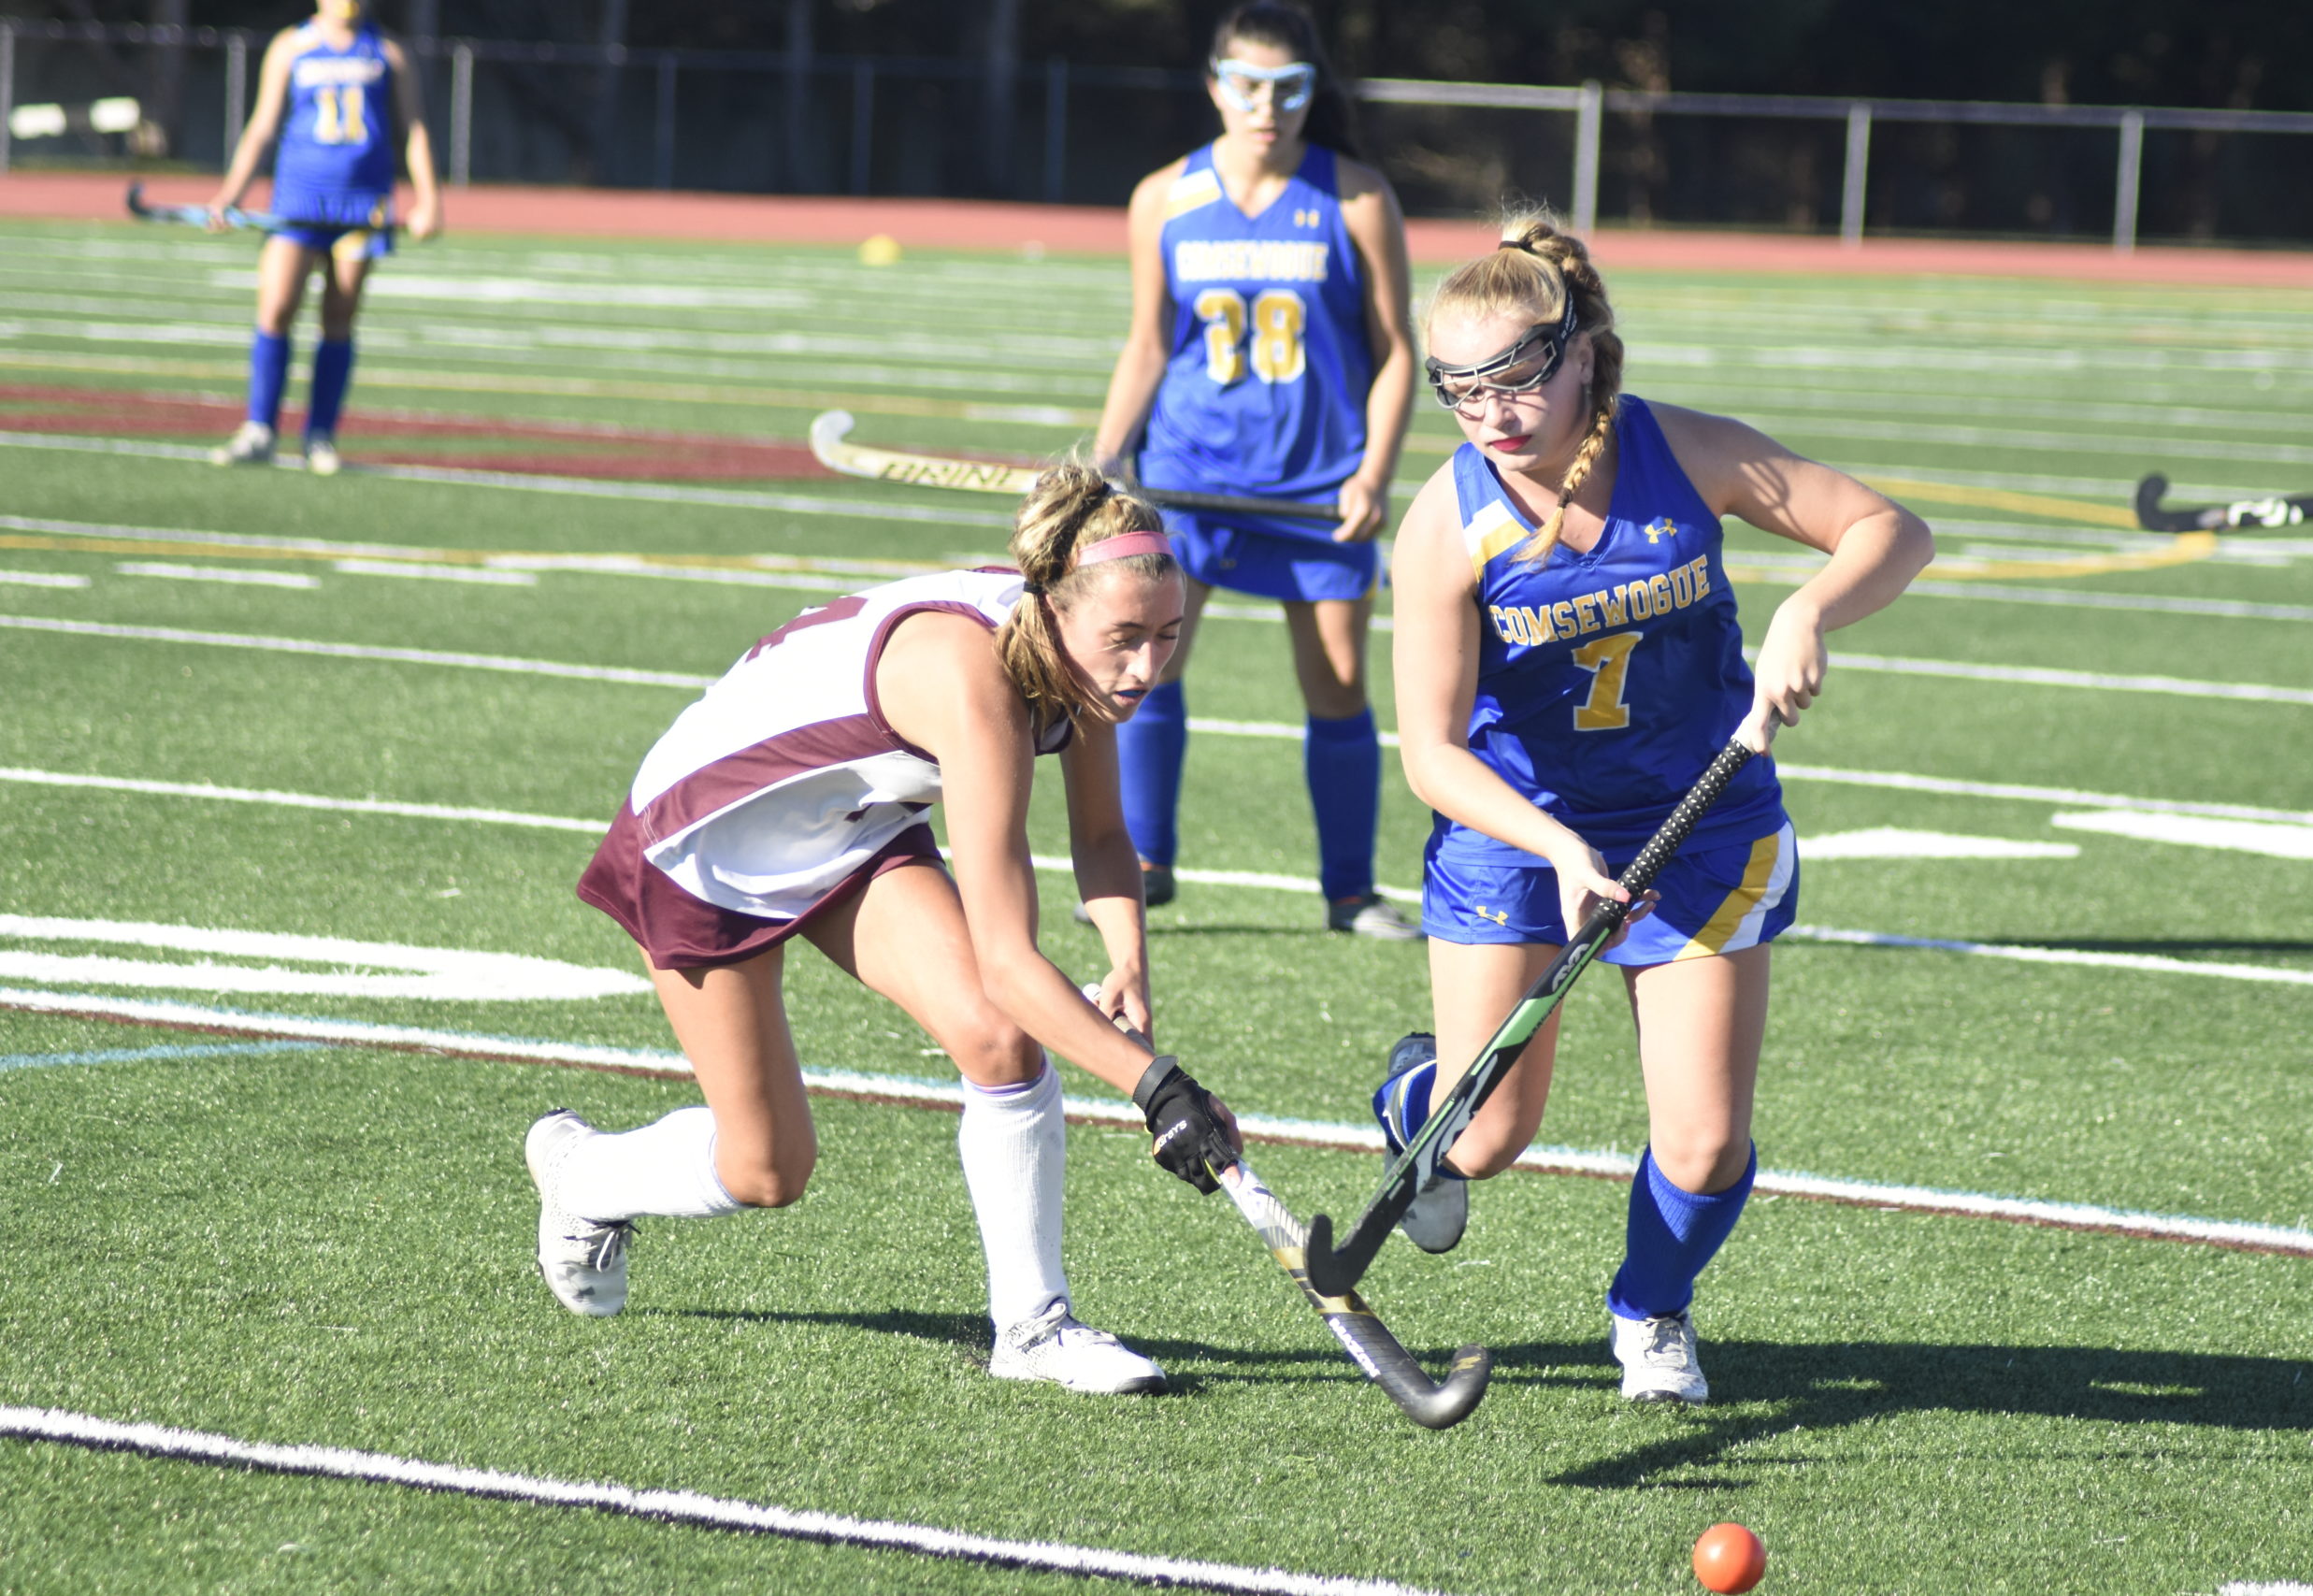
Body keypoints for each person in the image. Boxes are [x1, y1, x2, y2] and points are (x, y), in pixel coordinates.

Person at [1377, 216, 1933, 1404]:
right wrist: (1559, 846)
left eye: (1517, 374)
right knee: (1483, 1139)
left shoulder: (1684, 450)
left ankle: (1650, 1312)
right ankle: (1412, 1095)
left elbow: (1892, 529)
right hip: (1517, 833)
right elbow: (1428, 751)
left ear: (1582, 351)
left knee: (1704, 1141)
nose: (1491, 413)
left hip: (1703, 818)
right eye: (1458, 389)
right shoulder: (1443, 524)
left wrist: (1808, 612)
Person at [532, 467, 1244, 1395]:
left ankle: (1031, 1329)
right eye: (1124, 639)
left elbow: (1104, 836)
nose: (1146, 667)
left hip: (850, 823)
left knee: (997, 1042)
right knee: (767, 1169)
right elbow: (1006, 959)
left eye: (1166, 636)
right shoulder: (977, 685)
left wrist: (1126, 961)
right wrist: (1158, 1089)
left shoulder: (1080, 660)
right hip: (708, 847)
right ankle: (584, 1173)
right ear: (1056, 612)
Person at [1091, 0, 1418, 938]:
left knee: (1340, 685)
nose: (1265, 105)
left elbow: (1396, 349)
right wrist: (1106, 459)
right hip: (1189, 477)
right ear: (1214, 86)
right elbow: (1149, 344)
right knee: (1149, 670)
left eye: (1287, 87)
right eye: (1246, 85)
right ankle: (1146, 862)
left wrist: (1371, 474)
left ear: (1312, 89)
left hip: (1317, 487)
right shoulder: (1163, 197)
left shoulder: (1354, 197)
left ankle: (1348, 893)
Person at [206, 0, 441, 476]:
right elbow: (263, 126)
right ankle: (260, 430)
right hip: (298, 199)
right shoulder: (291, 46)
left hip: (362, 205)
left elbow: (412, 128)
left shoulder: (389, 51)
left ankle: (320, 436)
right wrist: (230, 195)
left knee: (340, 314)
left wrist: (428, 200)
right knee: (276, 308)